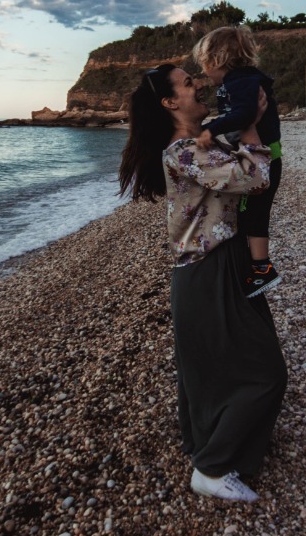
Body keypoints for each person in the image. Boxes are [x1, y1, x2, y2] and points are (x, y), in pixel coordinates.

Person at [118, 63, 287, 503]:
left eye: (195, 78)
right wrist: (251, 127)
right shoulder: (184, 152)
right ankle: (211, 470)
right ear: (170, 102)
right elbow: (256, 178)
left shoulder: (199, 145)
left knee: (211, 371)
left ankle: (211, 450)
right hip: (208, 269)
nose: (198, 84)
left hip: (216, 265)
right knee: (264, 371)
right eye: (187, 82)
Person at [191, 26, 283, 297]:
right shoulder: (243, 80)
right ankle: (258, 265)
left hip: (265, 157)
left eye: (204, 65)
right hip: (267, 153)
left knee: (253, 213)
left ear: (217, 60)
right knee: (253, 212)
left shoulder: (239, 82)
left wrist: (211, 129)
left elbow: (243, 116)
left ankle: (262, 268)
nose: (204, 74)